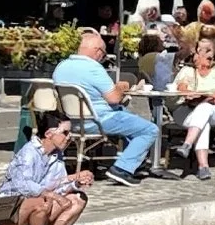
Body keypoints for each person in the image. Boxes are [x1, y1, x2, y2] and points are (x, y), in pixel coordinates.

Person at [55, 29, 155, 187]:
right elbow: (114, 98)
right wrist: (122, 87)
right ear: (97, 51)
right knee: (149, 129)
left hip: (74, 121)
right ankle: (121, 169)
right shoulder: (93, 68)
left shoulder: (61, 67)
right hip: (99, 120)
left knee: (129, 118)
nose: (103, 57)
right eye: (103, 53)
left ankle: (134, 161)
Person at [0, 110, 90, 225]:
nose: (69, 137)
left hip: (39, 211)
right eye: (65, 133)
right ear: (49, 134)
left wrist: (76, 183)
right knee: (42, 201)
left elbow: (56, 185)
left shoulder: (56, 155)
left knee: (78, 199)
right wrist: (53, 195)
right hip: (9, 215)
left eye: (70, 132)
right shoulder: (28, 152)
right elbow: (23, 186)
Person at [169, 36, 215, 178]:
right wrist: (190, 95)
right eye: (201, 50)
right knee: (202, 120)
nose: (205, 54)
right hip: (187, 111)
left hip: (214, 110)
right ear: (195, 54)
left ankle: (187, 144)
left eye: (208, 51)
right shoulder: (187, 70)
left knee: (204, 108)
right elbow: (182, 88)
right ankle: (203, 166)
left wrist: (209, 98)